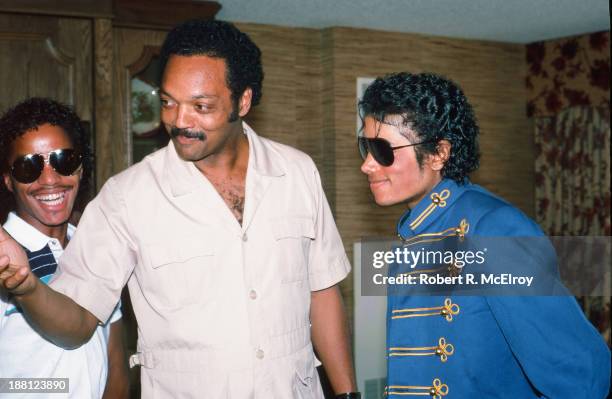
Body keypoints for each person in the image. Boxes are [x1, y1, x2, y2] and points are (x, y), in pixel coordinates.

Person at [0, 21, 359, 399]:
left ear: (243, 101)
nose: (179, 121)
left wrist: (348, 393)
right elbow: (77, 322)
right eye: (169, 102)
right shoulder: (126, 197)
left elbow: (322, 292)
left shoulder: (297, 172)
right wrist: (26, 288)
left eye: (201, 106)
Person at [358, 72, 610, 398]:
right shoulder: (416, 233)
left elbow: (579, 372)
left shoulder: (493, 229)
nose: (367, 165)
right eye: (365, 147)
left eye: (382, 150)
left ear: (438, 154)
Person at [0, 98, 128, 398]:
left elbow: (116, 367)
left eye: (63, 160)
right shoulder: (5, 255)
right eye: (27, 167)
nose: (49, 180)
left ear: (81, 168)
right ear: (8, 181)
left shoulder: (99, 245)